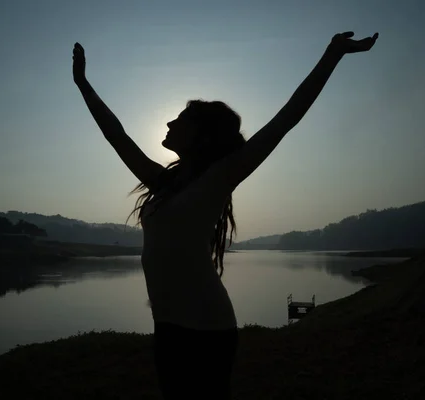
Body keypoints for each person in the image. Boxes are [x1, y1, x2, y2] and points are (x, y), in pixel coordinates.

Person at [72, 30, 378, 399]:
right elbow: (116, 135)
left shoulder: (220, 177)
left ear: (201, 134)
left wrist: (333, 54)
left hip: (207, 328)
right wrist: (84, 86)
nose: (169, 124)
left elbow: (287, 118)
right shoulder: (163, 182)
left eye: (180, 119)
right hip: (166, 325)